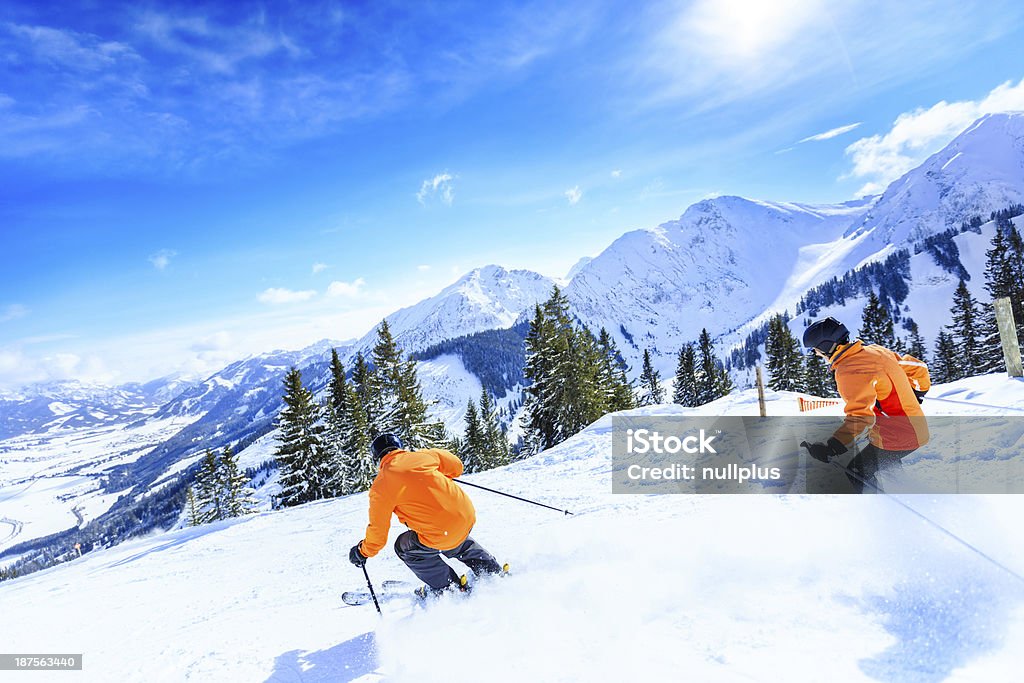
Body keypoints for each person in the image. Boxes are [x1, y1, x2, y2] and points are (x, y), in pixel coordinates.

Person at [348, 433, 505, 597]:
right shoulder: (423, 456)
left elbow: (378, 533)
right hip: (466, 517)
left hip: (441, 532)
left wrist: (362, 552)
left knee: (405, 547)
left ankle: (448, 587)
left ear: (377, 459)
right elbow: (457, 467)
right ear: (400, 448)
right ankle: (489, 568)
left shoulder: (381, 486)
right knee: (447, 532)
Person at [801, 317, 930, 492]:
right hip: (914, 427)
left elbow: (860, 417)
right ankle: (907, 493)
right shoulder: (875, 350)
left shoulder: (849, 370)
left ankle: (881, 512)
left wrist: (832, 447)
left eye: (816, 349)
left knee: (857, 472)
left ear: (826, 346)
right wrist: (917, 393)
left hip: (898, 436)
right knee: (885, 464)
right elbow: (918, 367)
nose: (816, 354)